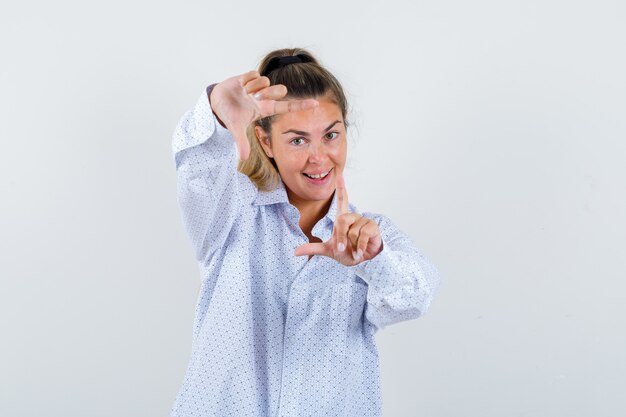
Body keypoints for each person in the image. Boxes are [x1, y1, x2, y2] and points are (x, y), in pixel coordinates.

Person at [170, 47, 440, 417]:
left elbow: (414, 297)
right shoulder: (231, 211)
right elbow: (197, 171)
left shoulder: (372, 237)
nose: (319, 157)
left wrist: (372, 261)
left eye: (330, 135)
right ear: (266, 142)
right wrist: (216, 114)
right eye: (298, 140)